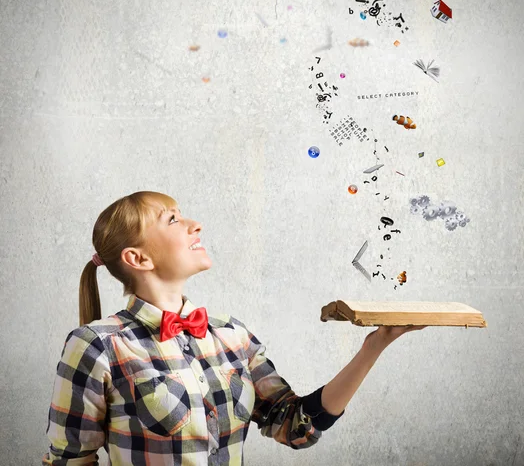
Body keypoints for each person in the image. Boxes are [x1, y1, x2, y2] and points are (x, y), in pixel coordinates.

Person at [43, 191, 426, 465]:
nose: (196, 225)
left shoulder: (231, 335)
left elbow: (295, 425)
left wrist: (373, 348)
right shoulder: (97, 345)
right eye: (174, 219)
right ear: (137, 258)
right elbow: (70, 460)